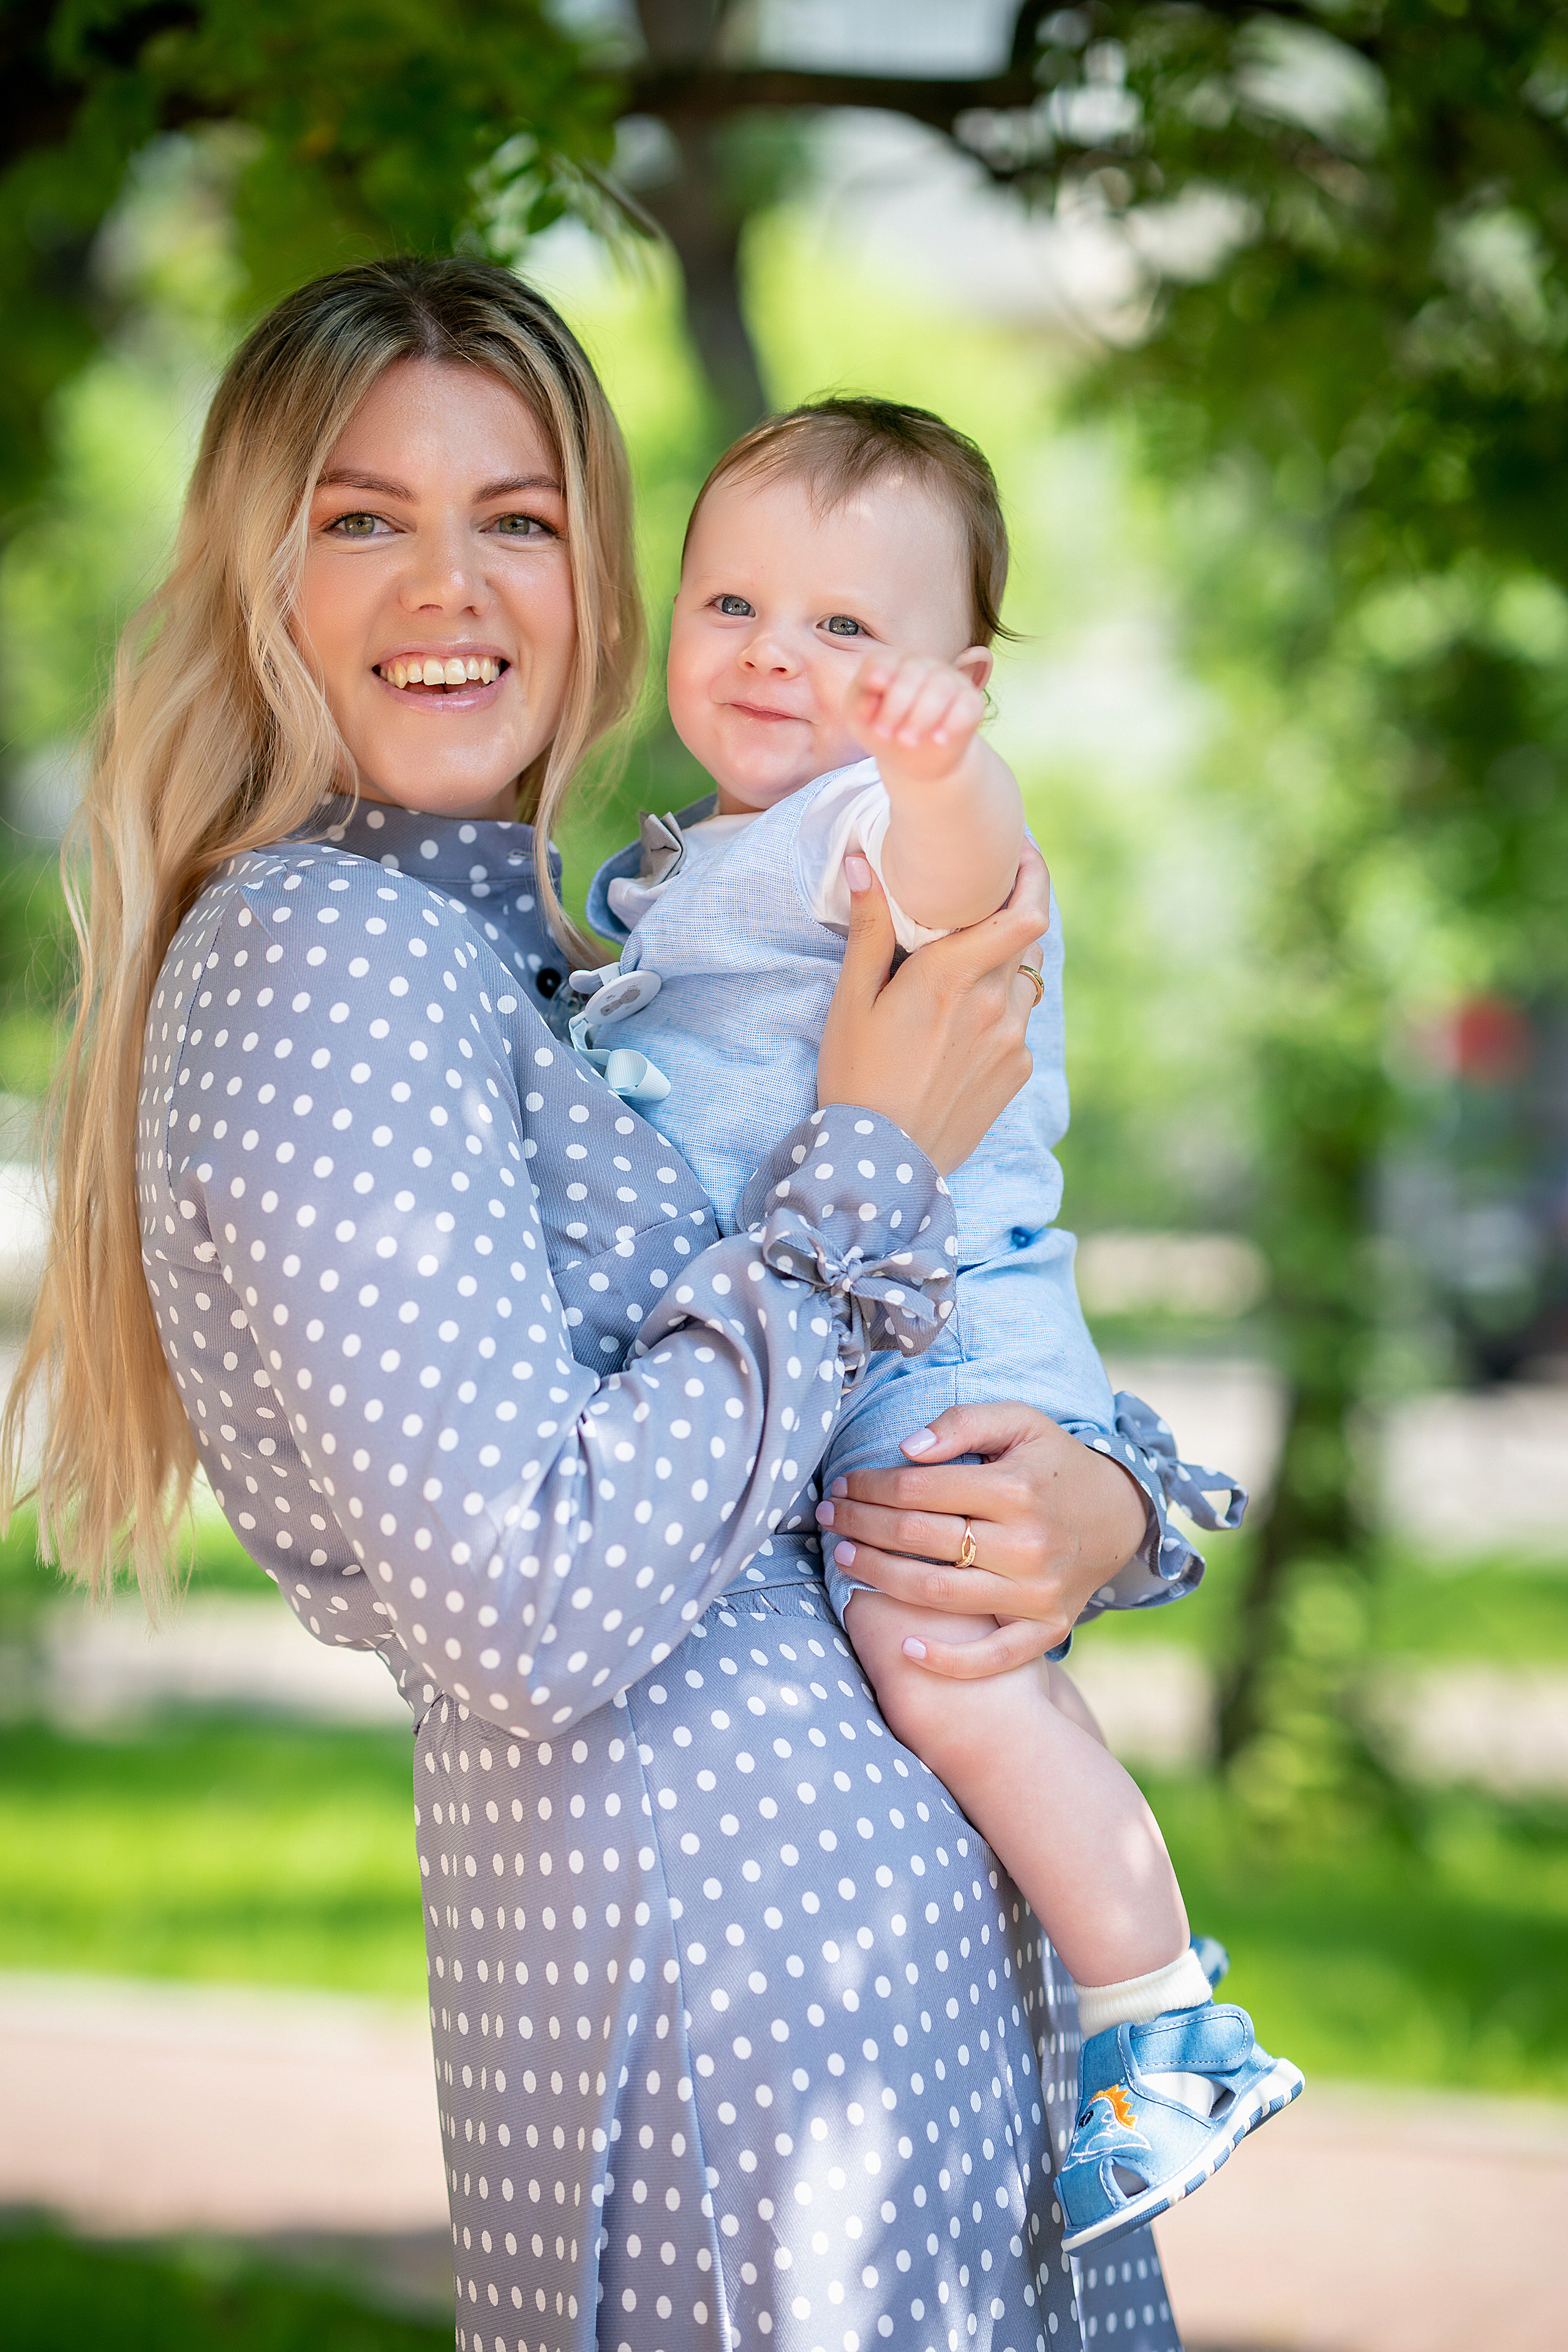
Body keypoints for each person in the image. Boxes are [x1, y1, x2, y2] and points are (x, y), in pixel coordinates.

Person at [1, 255, 1217, 2351]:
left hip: (878, 1977)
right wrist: (871, 1153)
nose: (448, 588)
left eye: (521, 518)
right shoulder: (326, 954)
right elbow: (530, 1601)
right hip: (739, 2022)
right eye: (361, 519)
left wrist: (1091, 1505)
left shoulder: (552, 956)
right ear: (256, 581)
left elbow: (843, 1399)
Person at [575, 399, 1302, 2253]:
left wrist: (940, 766)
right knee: (954, 1657)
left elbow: (967, 889)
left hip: (944, 1336)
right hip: (864, 1313)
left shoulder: (870, 819)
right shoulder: (712, 847)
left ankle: (1167, 2021)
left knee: (943, 1654)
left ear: (955, 682)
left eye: (848, 629)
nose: (775, 653)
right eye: (733, 603)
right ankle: (1138, 2017)